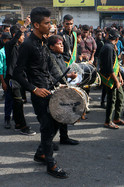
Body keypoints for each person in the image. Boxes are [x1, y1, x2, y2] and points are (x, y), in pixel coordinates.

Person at [13, 7, 68, 178]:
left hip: (51, 88)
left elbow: (49, 66)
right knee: (47, 127)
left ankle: (41, 153)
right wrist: (34, 89)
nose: (50, 25)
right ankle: (51, 164)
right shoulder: (27, 45)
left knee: (58, 122)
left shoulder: (44, 41)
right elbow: (17, 73)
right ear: (36, 25)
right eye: (46, 23)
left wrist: (62, 83)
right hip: (39, 94)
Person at [4, 21, 36, 135]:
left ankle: (18, 123)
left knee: (19, 103)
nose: (23, 37)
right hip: (12, 79)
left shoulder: (21, 47)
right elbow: (13, 41)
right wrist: (24, 27)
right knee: (17, 103)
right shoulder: (9, 45)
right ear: (15, 35)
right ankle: (21, 126)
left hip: (20, 78)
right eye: (22, 35)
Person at [47, 35, 80, 146]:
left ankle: (64, 137)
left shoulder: (60, 57)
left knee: (64, 113)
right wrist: (55, 83)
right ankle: (47, 143)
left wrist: (70, 76)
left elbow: (62, 73)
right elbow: (48, 74)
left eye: (62, 43)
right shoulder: (49, 57)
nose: (62, 46)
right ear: (51, 47)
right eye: (59, 44)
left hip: (62, 88)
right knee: (54, 117)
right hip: (54, 90)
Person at [99, 29, 124, 129]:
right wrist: (116, 81)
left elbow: (115, 63)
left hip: (115, 75)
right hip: (110, 77)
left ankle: (117, 118)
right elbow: (109, 67)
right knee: (112, 100)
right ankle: (108, 121)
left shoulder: (112, 47)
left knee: (120, 97)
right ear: (117, 39)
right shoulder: (108, 48)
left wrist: (120, 77)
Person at [0, 32, 12, 129]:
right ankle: (7, 118)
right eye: (8, 40)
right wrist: (3, 82)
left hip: (13, 78)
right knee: (8, 100)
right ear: (4, 41)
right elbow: (0, 68)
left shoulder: (12, 50)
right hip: (5, 78)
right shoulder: (1, 52)